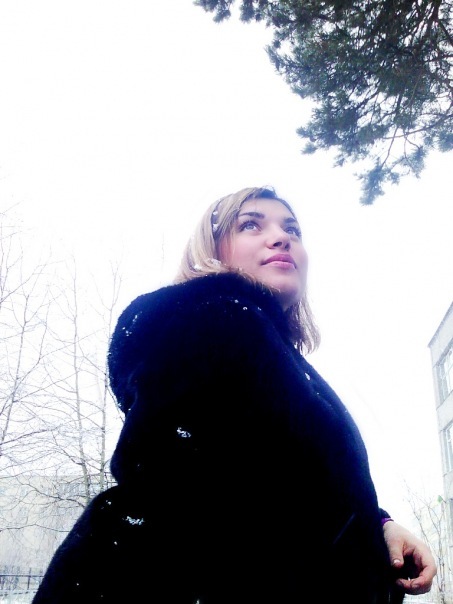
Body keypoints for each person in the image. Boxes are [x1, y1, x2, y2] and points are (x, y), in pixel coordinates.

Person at [32, 186, 437, 603]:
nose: (281, 238)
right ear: (212, 249)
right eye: (251, 225)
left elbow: (291, 480)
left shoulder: (267, 351)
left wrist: (379, 525)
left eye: (292, 230)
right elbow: (171, 492)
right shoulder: (215, 322)